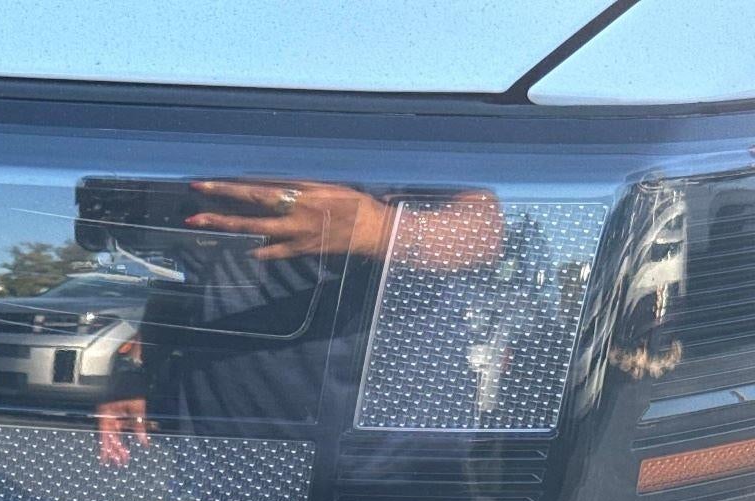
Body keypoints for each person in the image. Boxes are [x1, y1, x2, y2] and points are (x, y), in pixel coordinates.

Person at [96, 179, 506, 464]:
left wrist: (382, 229)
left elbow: (484, 234)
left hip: (382, 457)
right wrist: (138, 368)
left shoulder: (382, 105)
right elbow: (189, 282)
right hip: (220, 452)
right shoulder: (207, 120)